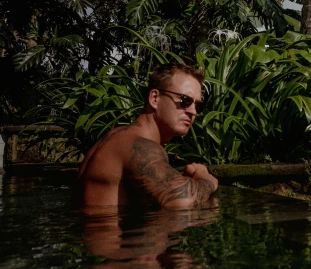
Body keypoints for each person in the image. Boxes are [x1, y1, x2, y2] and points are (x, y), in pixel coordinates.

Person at [75, 63, 218, 210]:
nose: (193, 111)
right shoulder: (138, 145)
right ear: (154, 98)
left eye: (198, 105)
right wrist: (205, 179)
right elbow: (180, 201)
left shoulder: (119, 136)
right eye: (185, 101)